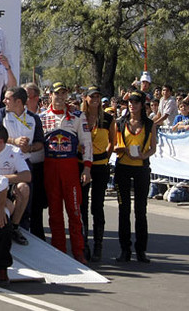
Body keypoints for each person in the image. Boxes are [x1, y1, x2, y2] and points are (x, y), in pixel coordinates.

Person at [40, 82, 92, 264]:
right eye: (57, 94)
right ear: (50, 96)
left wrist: (87, 167)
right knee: (54, 213)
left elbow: (86, 142)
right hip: (50, 167)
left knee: (75, 211)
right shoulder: (42, 117)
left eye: (63, 94)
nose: (60, 97)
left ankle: (78, 251)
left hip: (70, 168)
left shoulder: (78, 116)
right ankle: (58, 251)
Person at [113, 90, 157, 263]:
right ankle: (125, 249)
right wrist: (120, 149)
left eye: (136, 102)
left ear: (142, 104)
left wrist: (143, 156)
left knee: (140, 210)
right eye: (130, 102)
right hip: (123, 167)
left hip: (141, 169)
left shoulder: (149, 124)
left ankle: (141, 250)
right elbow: (115, 144)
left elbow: (153, 147)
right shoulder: (121, 123)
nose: (132, 105)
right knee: (123, 210)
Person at [80, 86, 116, 262]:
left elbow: (113, 142)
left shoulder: (108, 118)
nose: (95, 99)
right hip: (82, 165)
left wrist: (105, 157)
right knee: (82, 205)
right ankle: (83, 243)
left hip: (101, 165)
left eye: (98, 96)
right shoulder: (80, 118)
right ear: (85, 98)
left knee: (98, 206)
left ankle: (98, 244)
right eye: (92, 96)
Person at [0, 123, 32, 246]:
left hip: (3, 186)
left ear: (0, 142)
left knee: (24, 188)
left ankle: (14, 227)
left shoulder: (13, 151)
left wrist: (1, 179)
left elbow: (27, 176)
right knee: (8, 205)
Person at [23, 83, 48, 240]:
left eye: (27, 97)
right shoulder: (15, 116)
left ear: (36, 98)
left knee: (38, 205)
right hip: (22, 165)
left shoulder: (45, 116)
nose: (24, 100)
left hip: (40, 165)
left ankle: (39, 237)